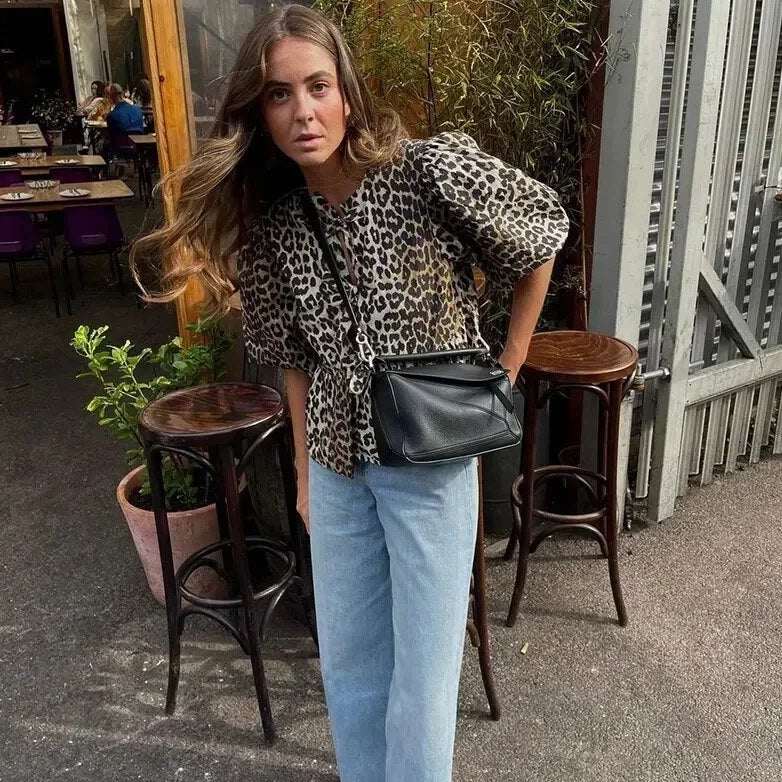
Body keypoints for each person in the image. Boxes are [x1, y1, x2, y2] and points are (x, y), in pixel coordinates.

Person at [131, 5, 568, 781]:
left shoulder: (426, 170)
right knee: (351, 666)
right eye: (278, 95)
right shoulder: (276, 224)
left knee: (423, 681)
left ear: (346, 92)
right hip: (335, 468)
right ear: (257, 113)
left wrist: (510, 362)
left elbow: (543, 231)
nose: (303, 111)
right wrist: (303, 471)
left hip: (429, 463)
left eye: (318, 86)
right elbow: (290, 357)